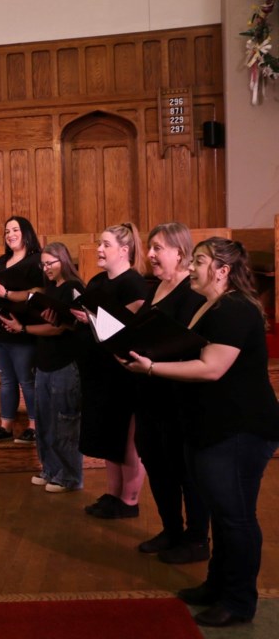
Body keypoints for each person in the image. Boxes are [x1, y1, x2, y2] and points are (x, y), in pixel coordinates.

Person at [126, 238, 279, 627]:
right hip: (213, 426)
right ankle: (216, 586)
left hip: (239, 429)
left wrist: (150, 369)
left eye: (199, 261)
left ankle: (239, 601)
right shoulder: (212, 305)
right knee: (222, 514)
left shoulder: (234, 309)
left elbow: (211, 368)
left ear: (222, 270)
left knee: (236, 518)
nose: (192, 268)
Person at [134, 223, 209, 563]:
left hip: (178, 396)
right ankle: (171, 530)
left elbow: (191, 345)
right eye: (150, 247)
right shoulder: (156, 289)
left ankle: (196, 539)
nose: (150, 255)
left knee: (184, 469)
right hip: (150, 391)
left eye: (157, 248)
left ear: (180, 252)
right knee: (156, 462)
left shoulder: (191, 293)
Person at [72, 223, 149, 519]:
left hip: (122, 372)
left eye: (105, 244)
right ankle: (112, 494)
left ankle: (129, 500)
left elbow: (129, 329)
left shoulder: (134, 284)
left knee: (125, 438)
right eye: (100, 244)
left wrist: (91, 318)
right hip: (98, 371)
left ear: (124, 250)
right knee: (106, 437)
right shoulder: (96, 281)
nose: (99, 250)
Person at [0, 243, 84, 491]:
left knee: (64, 422)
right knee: (45, 421)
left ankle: (69, 476)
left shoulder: (73, 288)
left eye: (51, 263)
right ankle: (50, 469)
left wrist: (23, 329)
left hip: (65, 363)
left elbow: (59, 327)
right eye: (44, 264)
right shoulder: (50, 289)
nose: (46, 268)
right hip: (44, 362)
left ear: (64, 261)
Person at [0, 216, 44, 443]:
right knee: (6, 380)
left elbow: (39, 293)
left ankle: (34, 425)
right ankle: (6, 426)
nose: (10, 234)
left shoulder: (36, 260)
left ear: (26, 233)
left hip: (20, 326)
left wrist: (5, 294)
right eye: (7, 231)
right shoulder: (2, 260)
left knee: (26, 379)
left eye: (15, 230)